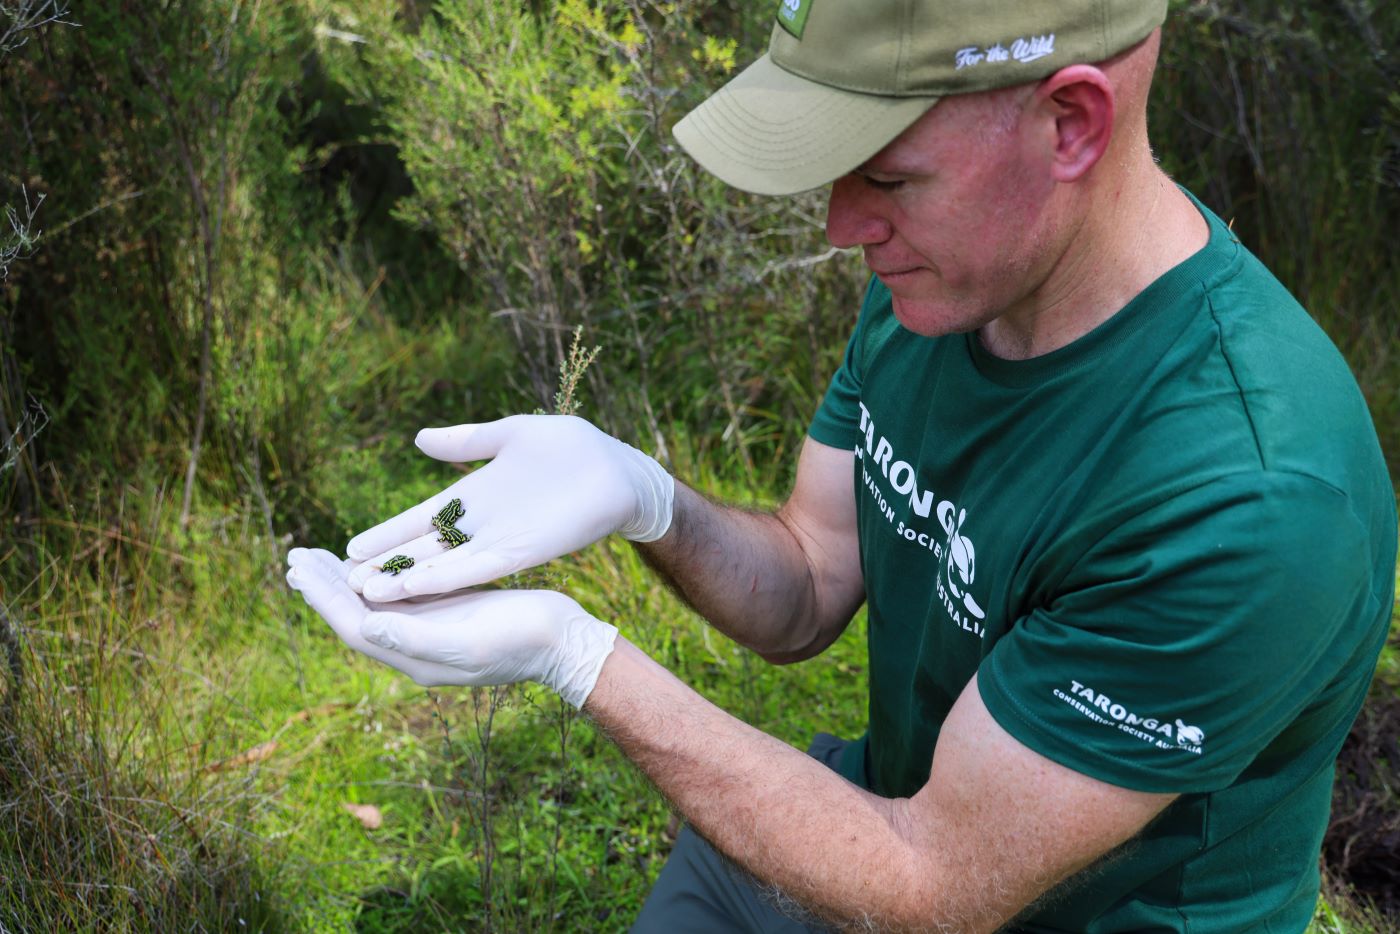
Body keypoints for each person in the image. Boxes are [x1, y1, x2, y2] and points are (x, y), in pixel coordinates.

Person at [285, 0, 1398, 930]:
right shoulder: (945, 290)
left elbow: (932, 881)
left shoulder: (1245, 492)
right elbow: (808, 583)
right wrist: (644, 498)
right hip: (866, 818)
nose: (837, 224)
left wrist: (574, 657)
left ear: (1068, 123)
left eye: (886, 175)